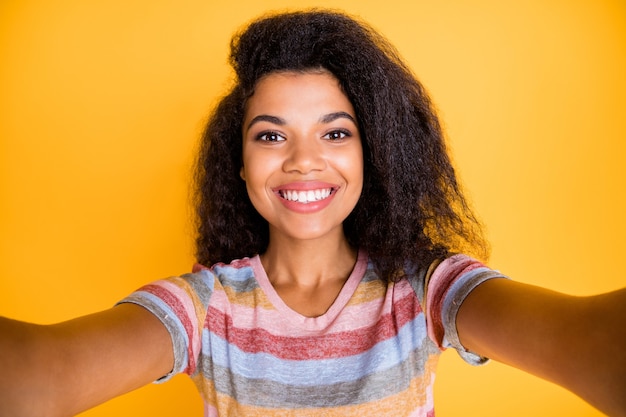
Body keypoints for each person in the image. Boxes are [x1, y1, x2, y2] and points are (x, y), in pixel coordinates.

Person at [1, 9, 625, 417]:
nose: (303, 161)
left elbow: (594, 341)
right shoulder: (204, 307)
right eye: (271, 136)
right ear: (239, 164)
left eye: (334, 134)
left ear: (371, 152)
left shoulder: (424, 287)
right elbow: (36, 375)